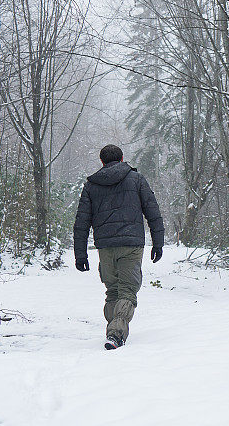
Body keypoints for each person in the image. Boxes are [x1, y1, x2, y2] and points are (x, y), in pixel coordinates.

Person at [73, 144, 165, 350]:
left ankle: (114, 330)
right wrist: (158, 242)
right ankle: (116, 334)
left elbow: (81, 222)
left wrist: (80, 254)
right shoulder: (136, 179)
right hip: (131, 245)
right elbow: (153, 211)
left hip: (105, 247)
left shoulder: (91, 185)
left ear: (102, 162)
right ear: (122, 159)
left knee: (113, 291)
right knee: (128, 292)